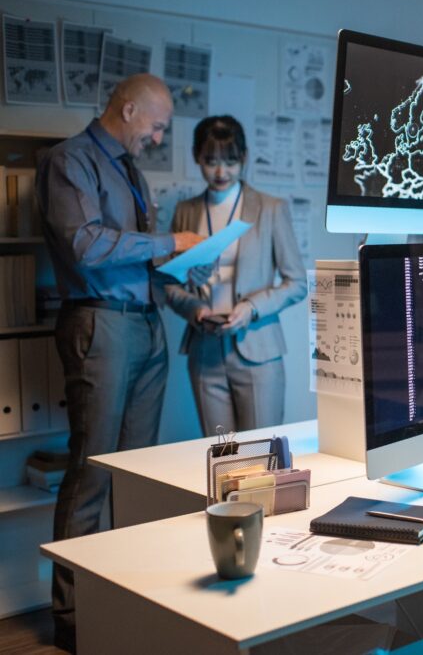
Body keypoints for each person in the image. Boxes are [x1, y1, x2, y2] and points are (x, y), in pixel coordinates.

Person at [36, 73, 204, 652]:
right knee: (93, 474)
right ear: (128, 110)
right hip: (99, 324)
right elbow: (84, 243)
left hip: (145, 325)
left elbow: (134, 251)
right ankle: (73, 619)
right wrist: (167, 245)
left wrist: (189, 261)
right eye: (156, 125)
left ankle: (125, 604)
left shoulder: (130, 170)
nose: (158, 137)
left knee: (135, 477)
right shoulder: (69, 161)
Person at [165, 115, 307, 436]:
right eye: (210, 161)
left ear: (243, 158)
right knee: (221, 458)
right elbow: (170, 284)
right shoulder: (185, 211)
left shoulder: (270, 208)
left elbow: (296, 283)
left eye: (230, 162)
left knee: (260, 456)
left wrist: (252, 307)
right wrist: (193, 309)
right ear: (196, 157)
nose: (220, 172)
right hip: (205, 349)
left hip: (258, 350)